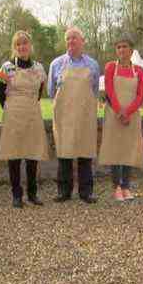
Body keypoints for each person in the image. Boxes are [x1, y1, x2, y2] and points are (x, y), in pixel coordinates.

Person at [0, 31, 49, 208]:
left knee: (33, 155)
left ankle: (32, 194)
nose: (22, 47)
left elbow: (40, 92)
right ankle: (16, 195)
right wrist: (12, 107)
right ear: (14, 47)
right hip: (13, 115)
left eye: (24, 43)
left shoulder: (40, 68)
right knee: (14, 156)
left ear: (30, 45)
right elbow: (0, 93)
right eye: (18, 44)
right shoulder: (6, 68)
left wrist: (28, 103)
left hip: (32, 114)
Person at [48, 27, 101, 203]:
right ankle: (64, 191)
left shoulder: (93, 65)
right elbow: (51, 91)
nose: (71, 41)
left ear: (82, 41)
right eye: (68, 39)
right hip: (64, 116)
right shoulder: (56, 64)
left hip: (85, 115)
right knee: (64, 153)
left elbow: (94, 90)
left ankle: (86, 192)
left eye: (74, 38)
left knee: (85, 153)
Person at [97, 37, 143, 201]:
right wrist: (119, 112)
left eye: (125, 47)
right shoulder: (110, 67)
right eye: (118, 47)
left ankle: (126, 186)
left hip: (132, 116)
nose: (122, 50)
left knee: (128, 150)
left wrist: (129, 112)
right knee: (115, 150)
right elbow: (109, 91)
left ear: (131, 50)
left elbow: (140, 95)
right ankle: (116, 186)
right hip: (113, 115)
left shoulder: (139, 70)